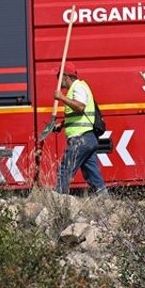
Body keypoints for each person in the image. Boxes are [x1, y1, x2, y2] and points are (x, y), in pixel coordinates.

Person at [53, 65, 106, 195]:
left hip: (81, 138)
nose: (58, 81)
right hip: (87, 138)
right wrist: (62, 124)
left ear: (66, 76)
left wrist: (61, 98)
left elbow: (80, 107)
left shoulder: (78, 87)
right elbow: (77, 116)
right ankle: (105, 201)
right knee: (93, 175)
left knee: (66, 168)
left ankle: (59, 199)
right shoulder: (76, 89)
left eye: (59, 77)